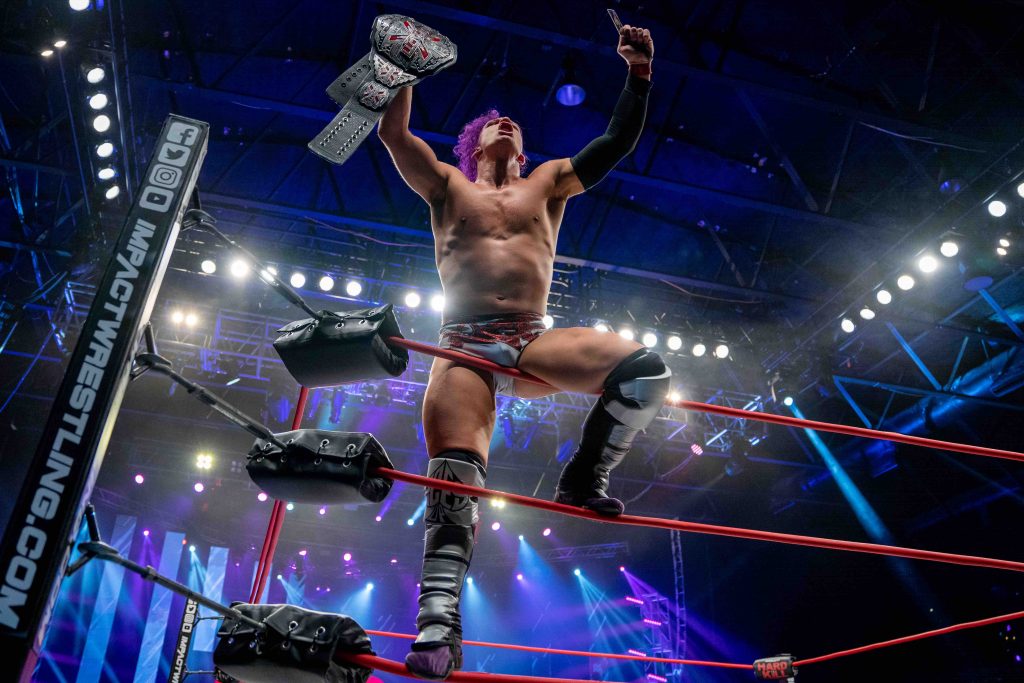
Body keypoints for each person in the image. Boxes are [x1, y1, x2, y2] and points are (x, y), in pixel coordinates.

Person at [377, 23, 667, 680]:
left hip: (532, 339)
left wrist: (639, 74)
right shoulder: (447, 184)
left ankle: (584, 476)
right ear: (473, 143)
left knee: (646, 372)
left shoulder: (550, 181)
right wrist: (404, 72)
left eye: (513, 121)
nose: (504, 121)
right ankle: (438, 624)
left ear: (525, 148)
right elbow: (395, 134)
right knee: (454, 476)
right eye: (492, 122)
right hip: (464, 346)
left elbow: (616, 142)